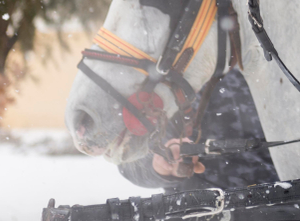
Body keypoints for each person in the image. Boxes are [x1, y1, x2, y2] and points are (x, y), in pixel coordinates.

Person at [118, 69, 278, 190]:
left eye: (168, 157)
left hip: (273, 79)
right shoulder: (210, 188)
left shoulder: (178, 98)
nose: (179, 159)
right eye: (180, 170)